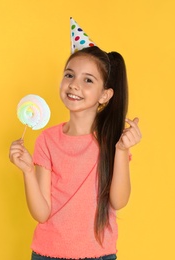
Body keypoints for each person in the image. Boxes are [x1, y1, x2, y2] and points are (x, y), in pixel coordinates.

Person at [9, 46, 142, 260]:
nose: (74, 85)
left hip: (98, 255)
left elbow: (119, 201)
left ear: (105, 95)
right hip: (47, 254)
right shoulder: (47, 140)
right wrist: (27, 171)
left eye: (88, 80)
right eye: (69, 75)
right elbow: (41, 213)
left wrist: (121, 150)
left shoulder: (113, 142)